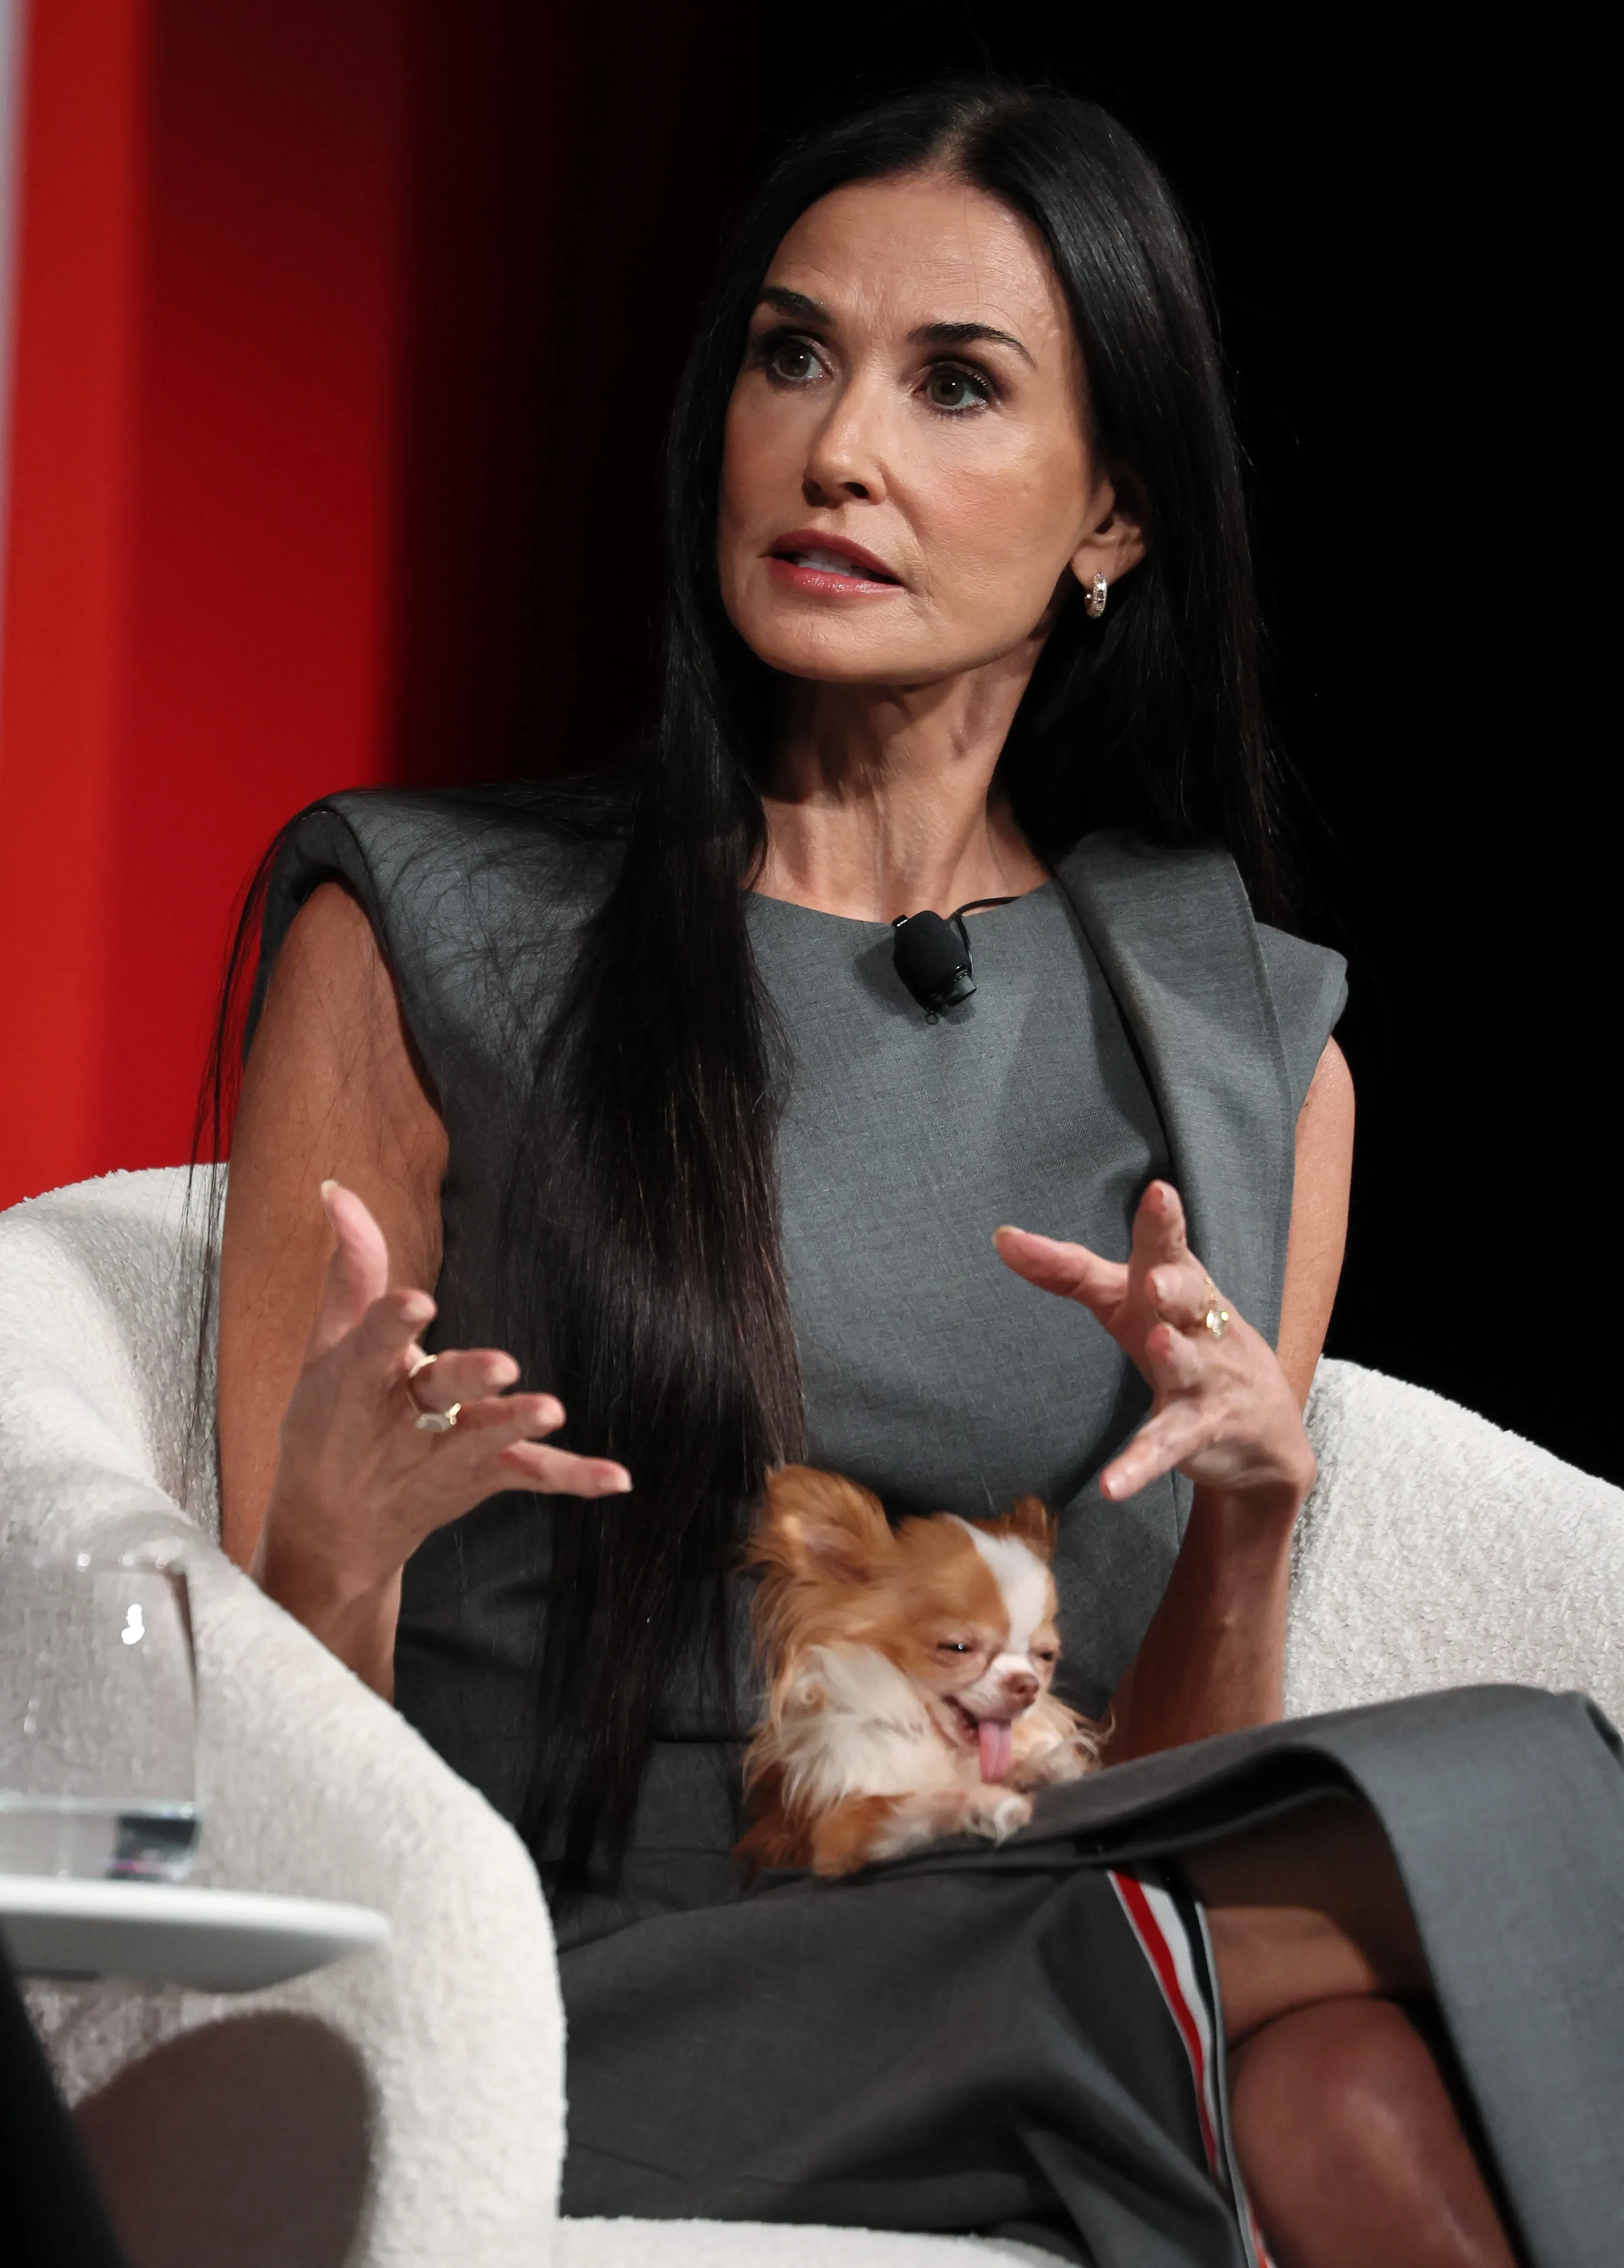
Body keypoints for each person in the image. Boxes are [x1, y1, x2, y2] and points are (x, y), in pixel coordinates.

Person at [214, 81, 1619, 2268]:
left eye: (954, 383)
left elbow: (1149, 1794)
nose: (837, 448)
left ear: (1114, 516)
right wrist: (325, 1554)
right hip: (577, 1997)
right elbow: (261, 1744)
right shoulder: (433, 929)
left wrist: (1252, 1523)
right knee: (1515, 1837)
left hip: (1043, 1936)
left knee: (1367, 2053)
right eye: (794, 355)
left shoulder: (1239, 1041)